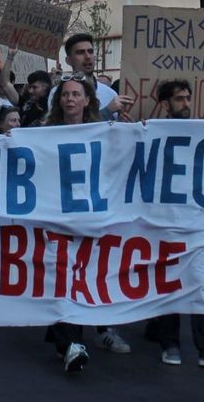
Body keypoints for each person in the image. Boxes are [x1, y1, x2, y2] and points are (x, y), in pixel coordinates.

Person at [148, 79, 204, 369]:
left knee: (200, 284)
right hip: (164, 221)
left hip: (195, 221)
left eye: (187, 98)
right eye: (179, 99)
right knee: (169, 284)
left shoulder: (202, 132)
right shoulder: (152, 132)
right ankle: (169, 344)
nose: (185, 103)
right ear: (165, 104)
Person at [43, 73, 103, 373]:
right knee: (62, 277)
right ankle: (71, 343)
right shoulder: (43, 134)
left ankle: (63, 337)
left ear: (87, 100)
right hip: (54, 216)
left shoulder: (103, 133)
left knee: (80, 277)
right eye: (65, 94)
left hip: (88, 217)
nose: (70, 99)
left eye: (76, 94)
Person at [54, 33, 133, 118]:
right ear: (68, 60)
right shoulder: (57, 93)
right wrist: (107, 111)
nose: (88, 56)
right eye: (80, 52)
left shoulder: (111, 94)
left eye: (90, 51)